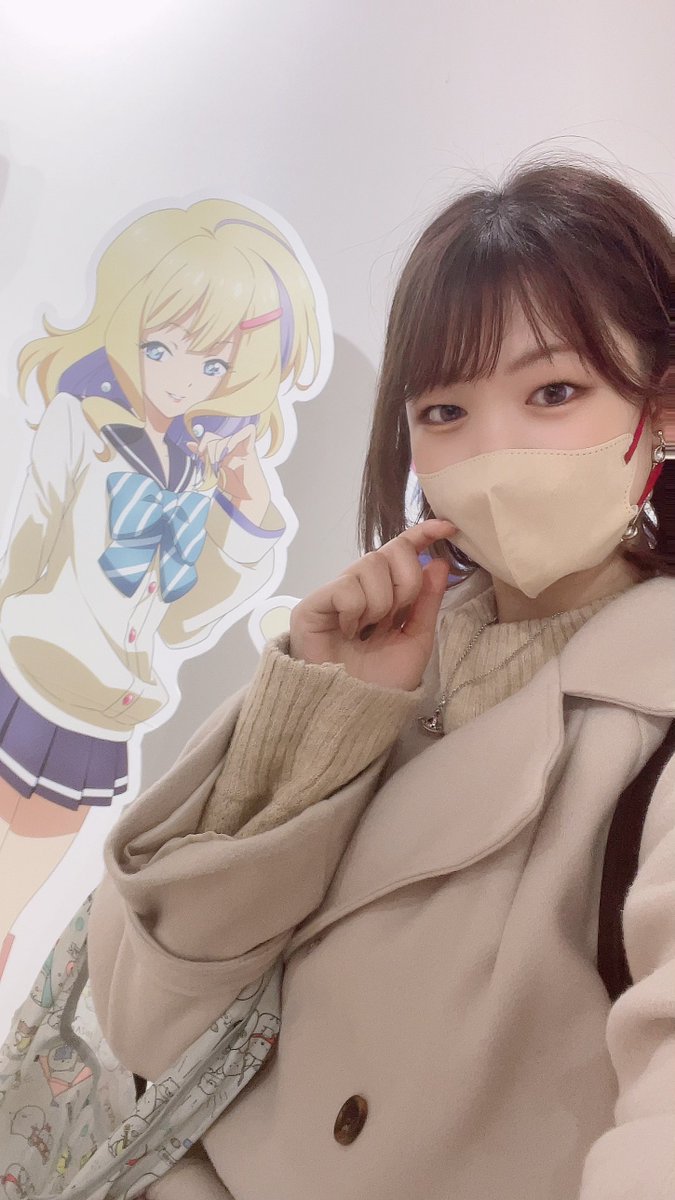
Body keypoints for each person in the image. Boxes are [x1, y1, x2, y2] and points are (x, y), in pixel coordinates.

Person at [87, 155, 675, 1200]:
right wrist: (319, 720)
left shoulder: (651, 721)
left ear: (661, 409)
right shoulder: (379, 652)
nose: (493, 453)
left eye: (552, 392)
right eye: (443, 411)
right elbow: (145, 1013)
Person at [0, 198, 324, 977]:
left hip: (99, 712)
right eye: (161, 347)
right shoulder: (79, 421)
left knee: (9, 906)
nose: (183, 380)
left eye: (212, 365)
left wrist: (245, 515)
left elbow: (180, 621)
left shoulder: (195, 471)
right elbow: (29, 550)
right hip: (24, 677)